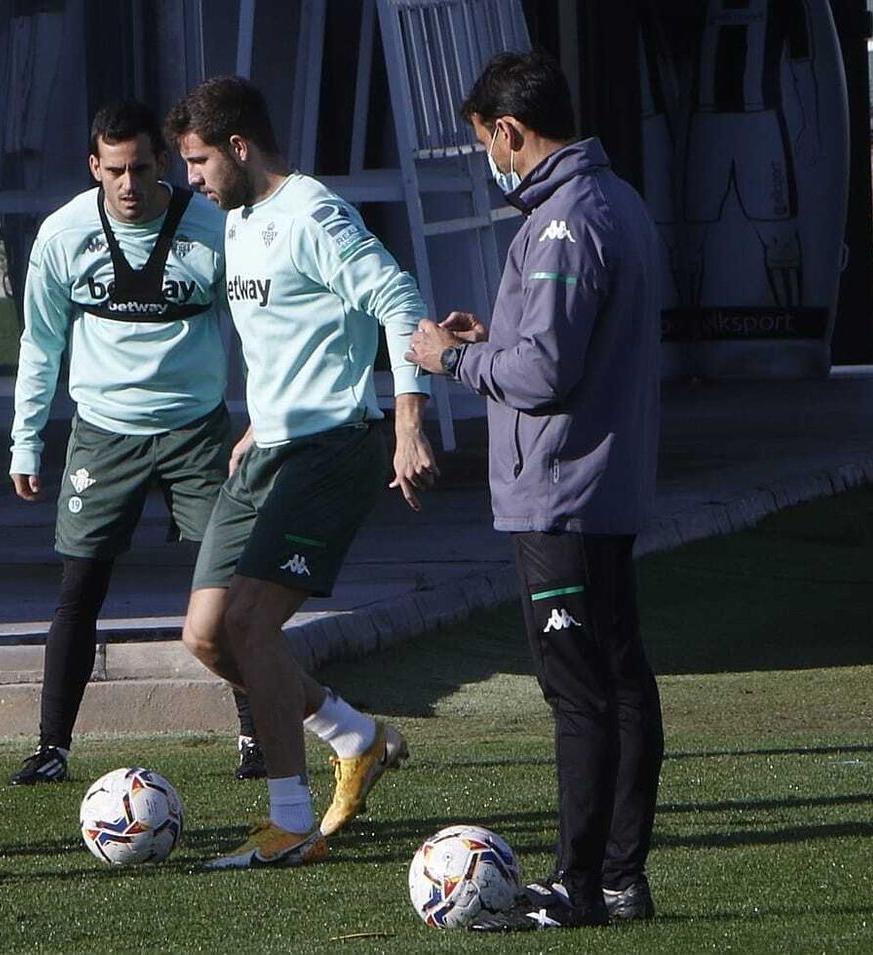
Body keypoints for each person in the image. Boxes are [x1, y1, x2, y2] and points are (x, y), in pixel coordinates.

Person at [407, 51, 665, 931]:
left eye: (488, 141)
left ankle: (578, 884)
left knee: (580, 692)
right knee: (623, 677)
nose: (492, 157)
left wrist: (453, 359)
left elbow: (546, 371)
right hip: (608, 483)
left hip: (560, 488)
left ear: (510, 131)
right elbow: (571, 338)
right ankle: (623, 879)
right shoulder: (616, 199)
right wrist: (501, 331)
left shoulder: (559, 222)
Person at [164, 75, 438, 869]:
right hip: (271, 447)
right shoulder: (238, 219)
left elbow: (396, 298)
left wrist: (408, 422)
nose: (193, 179)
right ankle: (357, 737)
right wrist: (259, 419)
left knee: (252, 626)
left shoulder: (313, 213)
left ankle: (291, 824)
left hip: (330, 448)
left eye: (198, 161)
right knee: (208, 637)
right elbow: (291, 333)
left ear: (240, 148)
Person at [7, 99, 265, 786]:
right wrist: (25, 441)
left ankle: (257, 732)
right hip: (104, 432)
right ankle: (52, 746)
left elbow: (259, 328)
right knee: (79, 586)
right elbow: (41, 342)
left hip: (196, 430)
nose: (128, 184)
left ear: (164, 164)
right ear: (94, 165)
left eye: (141, 168)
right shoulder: (63, 235)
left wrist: (262, 418)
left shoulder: (212, 228)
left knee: (231, 587)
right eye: (114, 170)